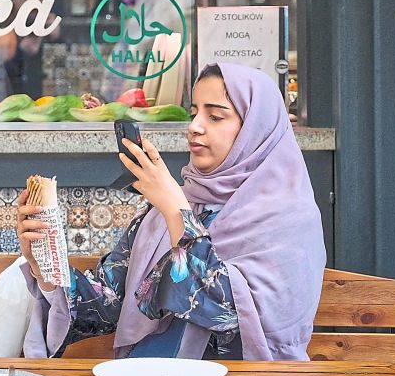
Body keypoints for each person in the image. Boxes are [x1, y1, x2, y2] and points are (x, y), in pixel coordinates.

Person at [16, 62, 326, 360]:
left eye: (215, 116)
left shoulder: (289, 218)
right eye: (193, 113)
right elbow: (107, 306)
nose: (194, 127)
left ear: (256, 131)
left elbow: (229, 318)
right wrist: (46, 267)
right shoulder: (172, 203)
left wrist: (176, 210)